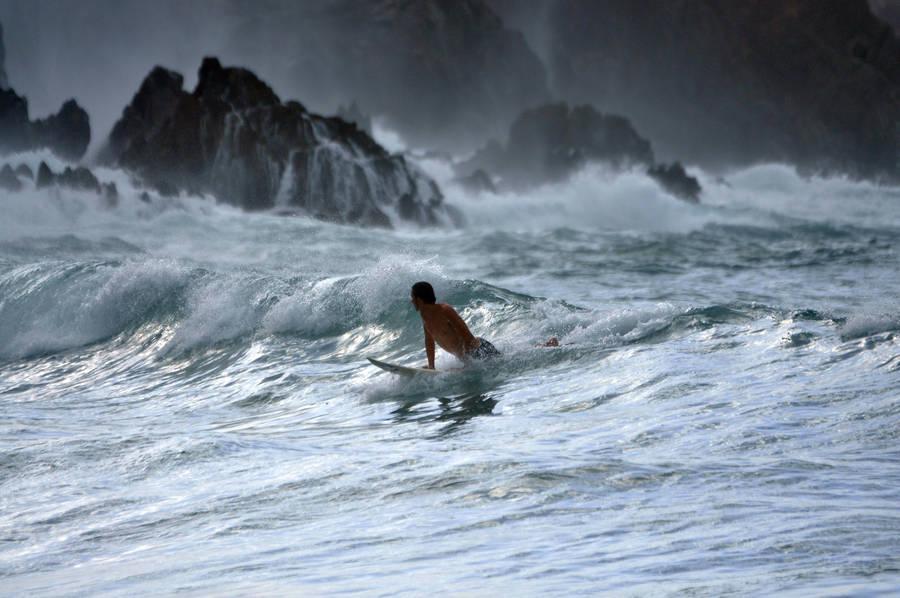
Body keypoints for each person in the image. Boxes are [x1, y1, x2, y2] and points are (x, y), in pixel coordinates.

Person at [410, 281, 501, 369]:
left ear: (419, 300)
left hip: (481, 351)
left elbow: (466, 335)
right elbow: (429, 341)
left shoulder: (444, 310)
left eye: (412, 297)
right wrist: (431, 366)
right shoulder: (425, 315)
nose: (412, 301)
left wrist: (469, 364)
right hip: (469, 358)